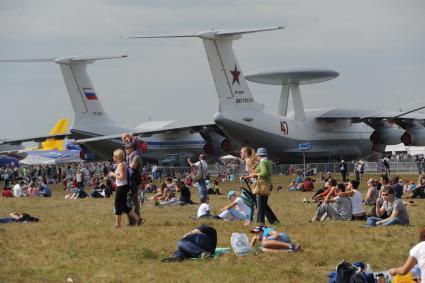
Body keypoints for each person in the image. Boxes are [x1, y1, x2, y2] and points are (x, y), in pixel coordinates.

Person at [109, 149, 143, 228]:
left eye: (114, 156)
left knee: (117, 205)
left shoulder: (121, 165)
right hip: (123, 187)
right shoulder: (122, 163)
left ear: (118, 157)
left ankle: (117, 224)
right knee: (124, 206)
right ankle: (139, 220)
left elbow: (121, 177)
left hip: (122, 187)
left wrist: (113, 174)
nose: (113, 157)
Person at [245, 147, 279, 225]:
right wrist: (250, 176)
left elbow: (264, 173)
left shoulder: (263, 162)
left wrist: (254, 174)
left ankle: (260, 223)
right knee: (263, 205)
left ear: (259, 155)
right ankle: (274, 221)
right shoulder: (268, 162)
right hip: (267, 184)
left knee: (260, 206)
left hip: (263, 185)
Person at [124, 142, 143, 226]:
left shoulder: (136, 157)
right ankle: (137, 221)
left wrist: (123, 166)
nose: (125, 150)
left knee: (128, 202)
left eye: (127, 148)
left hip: (134, 183)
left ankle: (132, 222)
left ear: (132, 148)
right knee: (134, 202)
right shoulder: (129, 157)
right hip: (131, 182)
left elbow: (132, 166)